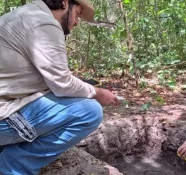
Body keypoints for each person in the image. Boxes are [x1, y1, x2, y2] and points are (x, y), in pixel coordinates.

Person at [0, 0, 119, 174]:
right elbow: (62, 84)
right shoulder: (44, 22)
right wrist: (98, 93)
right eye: (77, 13)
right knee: (89, 111)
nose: (77, 22)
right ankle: (13, 167)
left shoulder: (21, 16)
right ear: (64, 3)